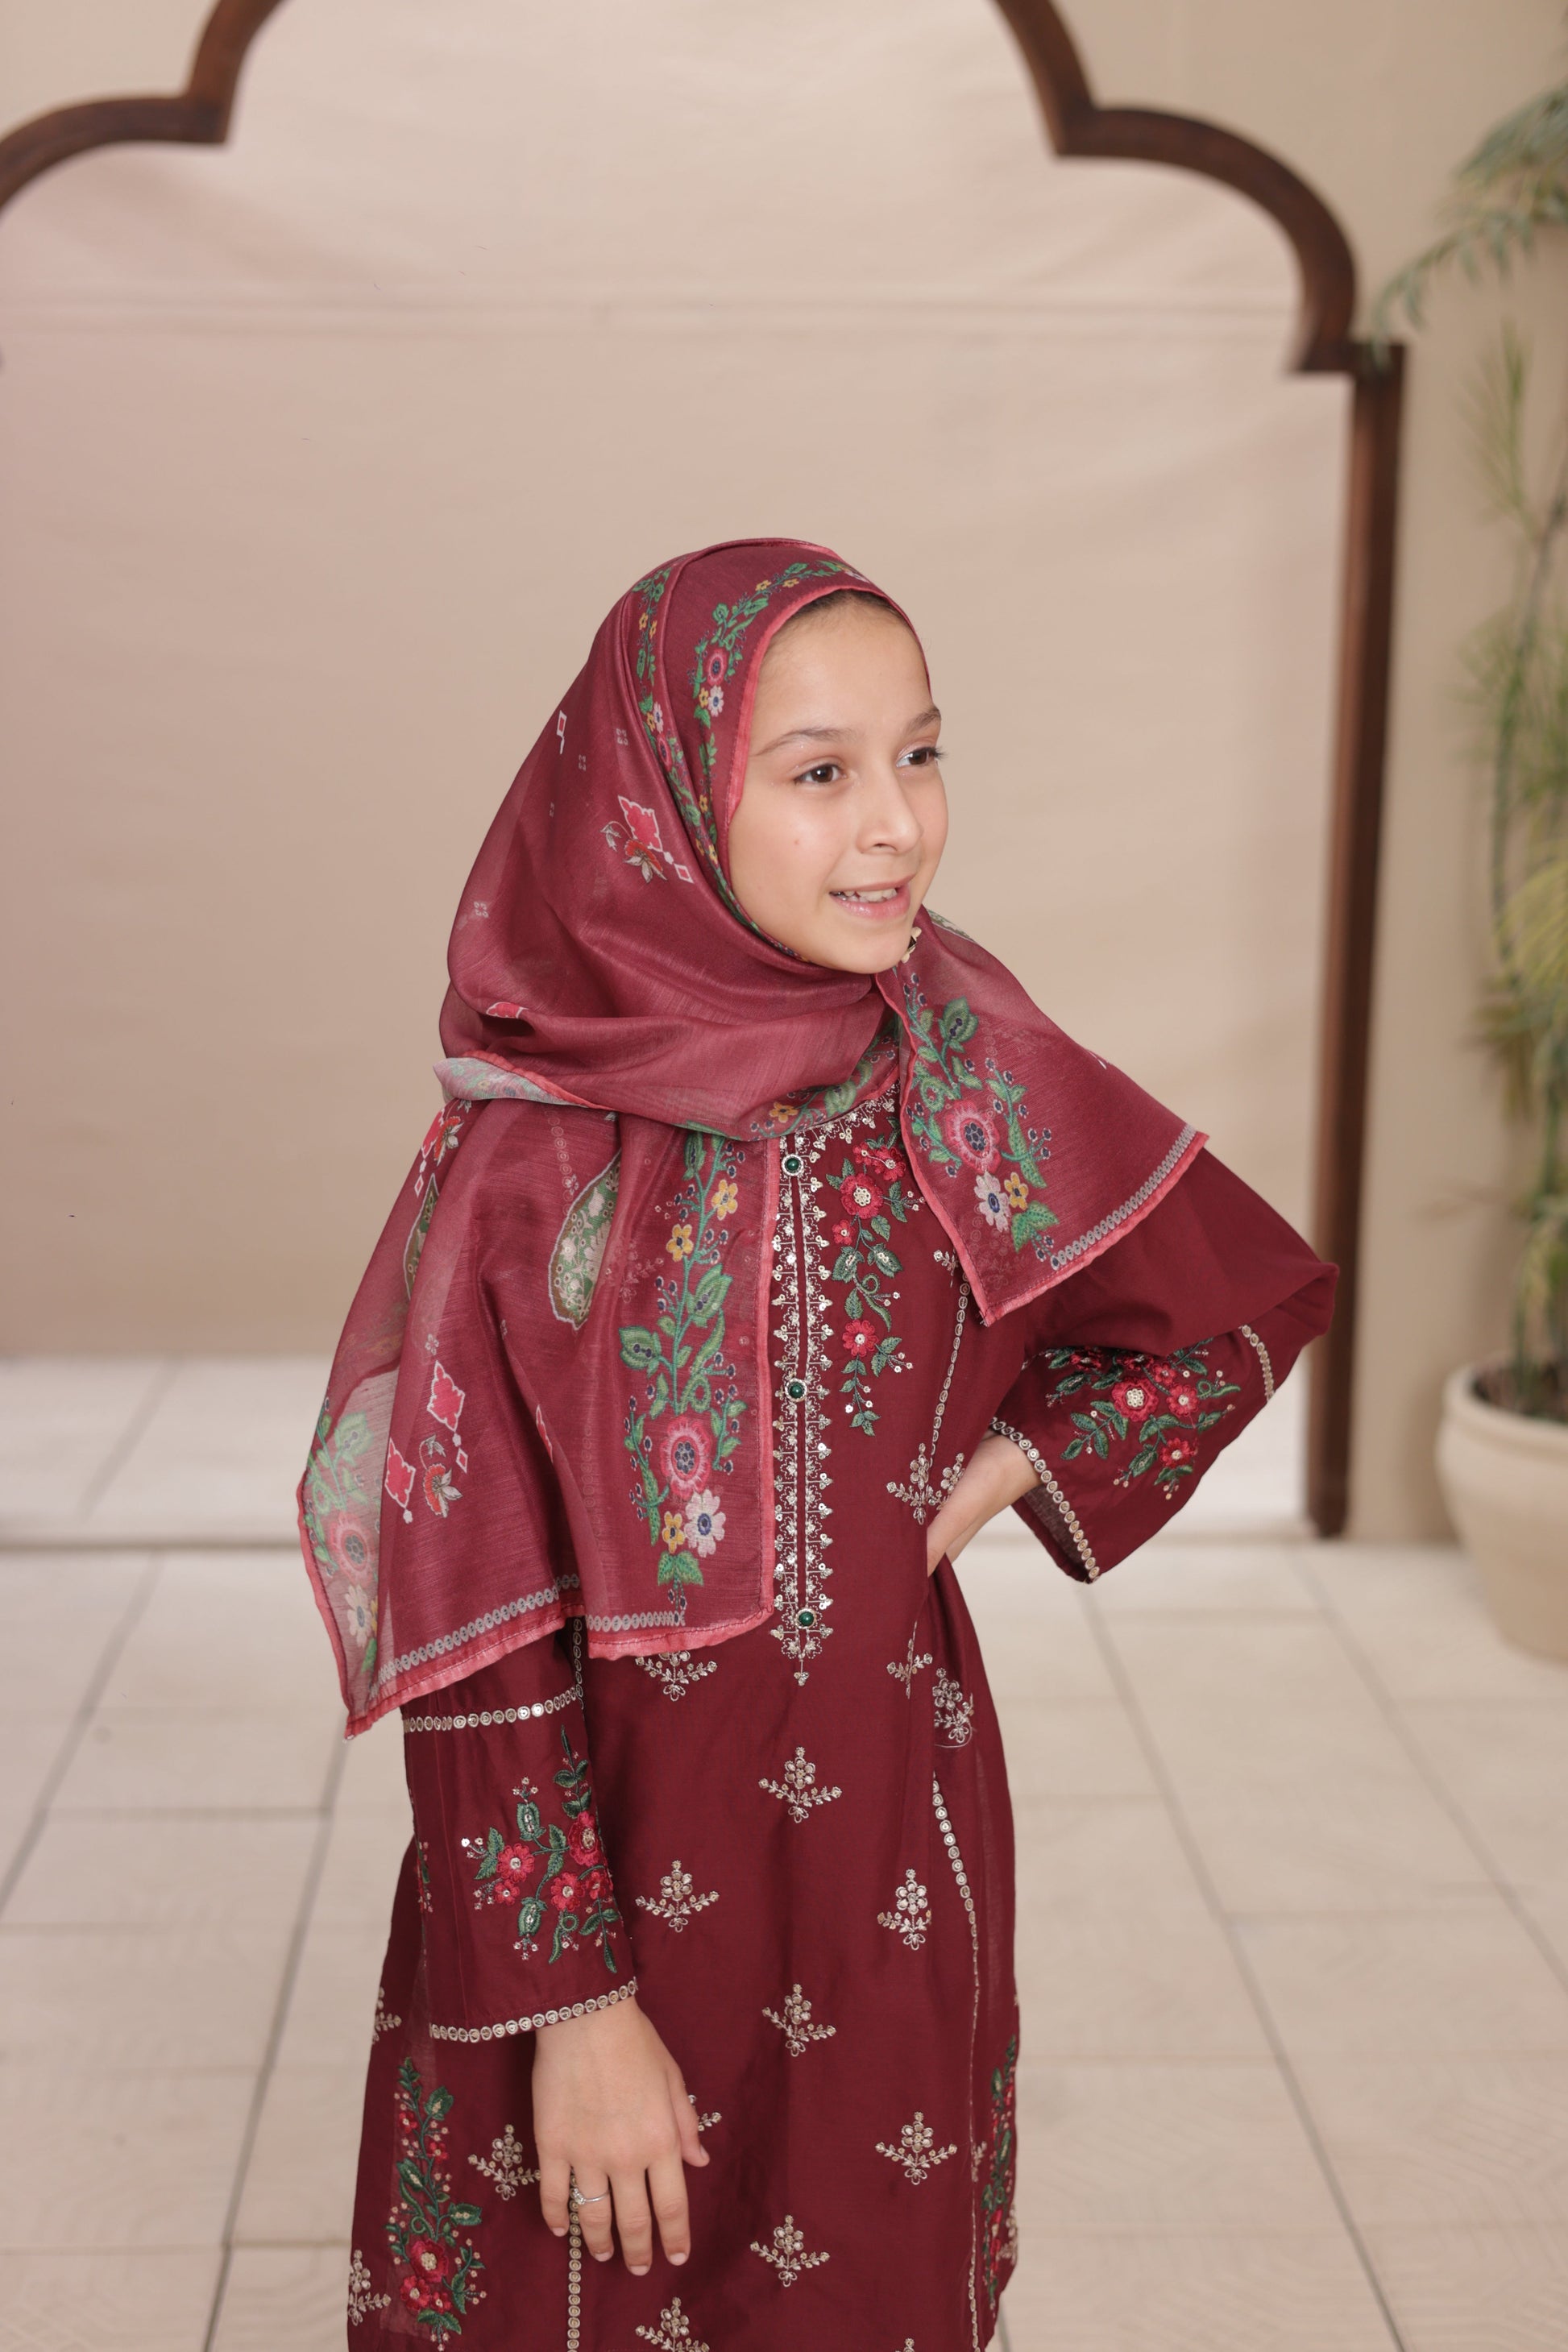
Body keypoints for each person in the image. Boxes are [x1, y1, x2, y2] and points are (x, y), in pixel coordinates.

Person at [300, 537, 1334, 2351]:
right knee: (577, 2279)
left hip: (887, 1832)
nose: (897, 827)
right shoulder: (534, 1136)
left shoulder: (958, 1059)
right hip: (597, 1862)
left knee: (857, 2281)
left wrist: (1005, 1467)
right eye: (820, 771)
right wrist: (566, 2002)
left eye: (921, 754)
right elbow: (468, 1608)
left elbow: (1237, 1305)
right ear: (668, 799)